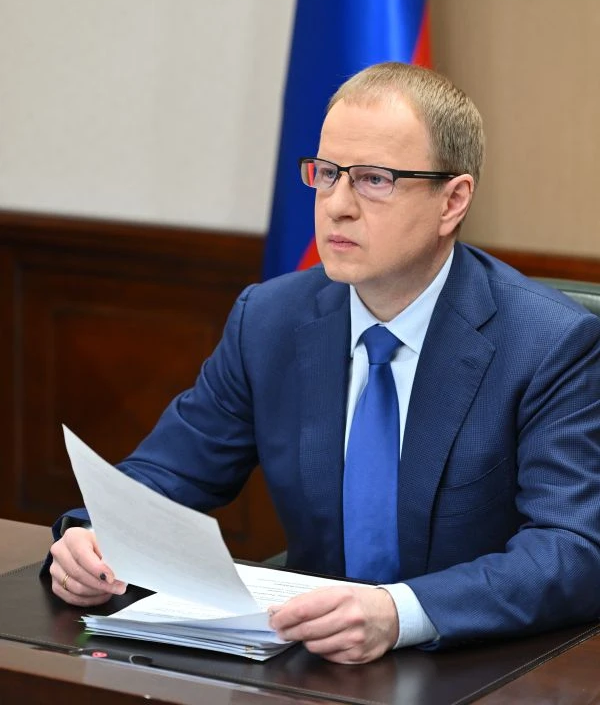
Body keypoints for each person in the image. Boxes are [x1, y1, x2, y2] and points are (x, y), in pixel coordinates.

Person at [47, 61, 600, 665]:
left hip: (477, 663)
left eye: (374, 180)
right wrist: (93, 536)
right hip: (312, 661)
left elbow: (573, 548)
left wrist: (399, 613)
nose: (337, 205)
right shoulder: (270, 319)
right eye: (328, 173)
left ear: (453, 201)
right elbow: (169, 473)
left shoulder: (551, 344)